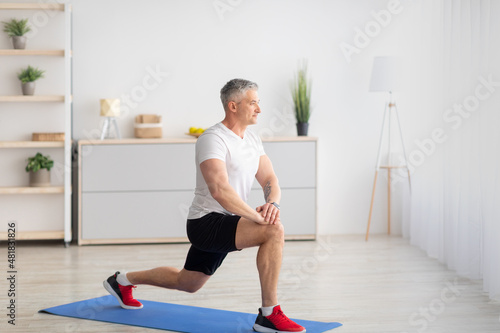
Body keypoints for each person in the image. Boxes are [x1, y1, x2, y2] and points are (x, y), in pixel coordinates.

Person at [103, 78, 306, 333]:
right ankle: (268, 314)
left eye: (258, 103)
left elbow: (269, 179)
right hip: (206, 222)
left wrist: (272, 204)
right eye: (253, 103)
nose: (259, 109)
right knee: (274, 231)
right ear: (233, 106)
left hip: (229, 220)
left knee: (187, 282)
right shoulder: (212, 139)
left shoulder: (252, 140)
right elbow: (219, 189)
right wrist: (257, 218)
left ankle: (122, 280)